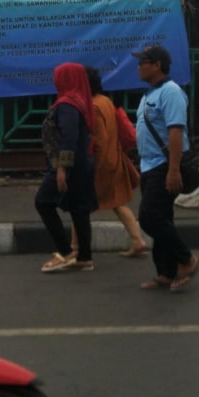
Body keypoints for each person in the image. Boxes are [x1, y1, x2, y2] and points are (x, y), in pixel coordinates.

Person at [133, 44, 199, 292]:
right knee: (162, 217)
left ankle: (187, 259)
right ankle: (166, 272)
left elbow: (175, 131)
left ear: (157, 65)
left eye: (143, 61)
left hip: (164, 166)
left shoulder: (170, 92)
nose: (138, 66)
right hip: (149, 166)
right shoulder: (149, 94)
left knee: (150, 218)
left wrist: (173, 171)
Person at [70, 67, 146, 257]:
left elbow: (100, 142)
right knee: (117, 203)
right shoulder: (105, 101)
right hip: (115, 159)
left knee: (79, 206)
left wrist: (95, 168)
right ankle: (137, 240)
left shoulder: (93, 107)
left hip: (102, 164)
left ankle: (74, 248)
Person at [35, 62, 97, 272]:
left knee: (43, 202)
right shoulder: (79, 101)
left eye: (58, 76)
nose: (55, 81)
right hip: (82, 163)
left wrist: (62, 169)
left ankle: (66, 251)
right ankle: (84, 258)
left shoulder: (67, 104)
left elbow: (68, 138)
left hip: (68, 165)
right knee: (79, 209)